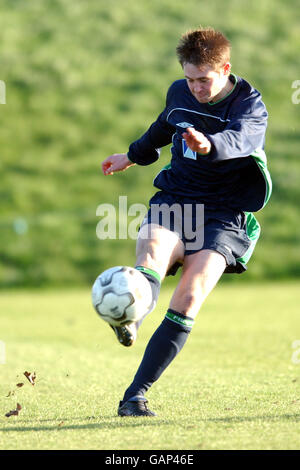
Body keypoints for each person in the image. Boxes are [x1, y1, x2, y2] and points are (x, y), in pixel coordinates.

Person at [101, 27, 272, 417]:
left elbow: (242, 140)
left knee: (190, 296)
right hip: (177, 199)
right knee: (152, 258)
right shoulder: (180, 91)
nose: (195, 87)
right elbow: (165, 124)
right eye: (190, 78)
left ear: (225, 69)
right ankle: (130, 315)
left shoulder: (250, 105)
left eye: (204, 80)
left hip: (224, 213)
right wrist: (131, 155)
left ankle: (135, 396)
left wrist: (209, 145)